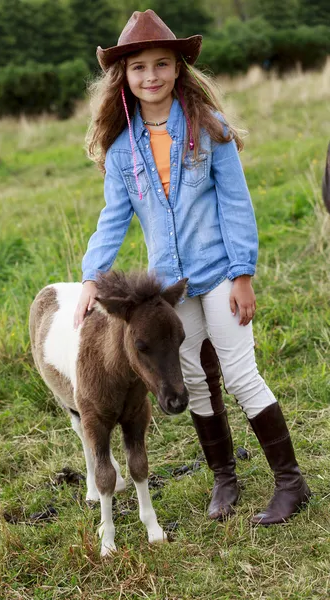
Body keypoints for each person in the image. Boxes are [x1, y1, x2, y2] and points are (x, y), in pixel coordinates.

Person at [73, 9, 311, 525]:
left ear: (178, 69)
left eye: (162, 64)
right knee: (197, 382)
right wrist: (93, 275)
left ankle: (291, 483)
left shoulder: (209, 129)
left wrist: (243, 275)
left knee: (241, 374)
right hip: (173, 291)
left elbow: (236, 206)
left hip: (221, 273)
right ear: (124, 78)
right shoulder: (121, 152)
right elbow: (112, 219)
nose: (151, 76)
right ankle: (225, 479)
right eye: (139, 68)